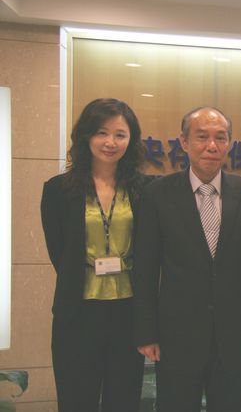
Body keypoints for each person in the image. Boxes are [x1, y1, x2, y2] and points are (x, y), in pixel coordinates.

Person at [133, 107, 241, 412]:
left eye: (220, 138)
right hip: (176, 334)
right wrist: (146, 331)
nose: (212, 145)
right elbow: (144, 268)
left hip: (234, 334)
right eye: (202, 137)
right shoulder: (157, 195)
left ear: (229, 143)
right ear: (183, 142)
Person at [40, 98, 147, 412]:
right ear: (86, 136)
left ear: (131, 140)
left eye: (120, 134)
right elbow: (60, 253)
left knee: (124, 401)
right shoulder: (58, 190)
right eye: (102, 133)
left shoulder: (144, 190)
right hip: (78, 313)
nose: (110, 143)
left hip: (128, 314)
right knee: (76, 400)